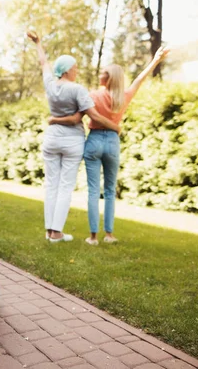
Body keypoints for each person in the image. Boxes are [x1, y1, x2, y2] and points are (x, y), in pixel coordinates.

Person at [50, 46, 170, 245]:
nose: (100, 74)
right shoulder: (123, 96)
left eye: (103, 73)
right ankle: (109, 234)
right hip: (113, 142)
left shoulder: (92, 95)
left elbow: (78, 114)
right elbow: (140, 79)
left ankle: (93, 236)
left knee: (93, 190)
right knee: (110, 190)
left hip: (94, 141)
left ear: (108, 78)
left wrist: (55, 119)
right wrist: (155, 60)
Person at [27, 31, 121, 243]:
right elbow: (93, 115)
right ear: (68, 70)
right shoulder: (78, 90)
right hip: (71, 142)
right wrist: (114, 126)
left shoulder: (50, 85)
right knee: (65, 186)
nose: (77, 70)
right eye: (76, 67)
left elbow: (43, 63)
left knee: (51, 184)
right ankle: (56, 232)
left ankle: (49, 231)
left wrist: (38, 43)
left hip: (51, 140)